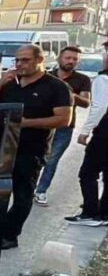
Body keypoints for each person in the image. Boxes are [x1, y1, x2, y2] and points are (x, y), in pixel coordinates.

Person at [0, 44, 72, 249]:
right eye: (17, 60)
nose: (20, 64)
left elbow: (63, 119)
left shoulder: (56, 87)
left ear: (40, 60)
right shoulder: (9, 84)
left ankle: (10, 234)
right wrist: (0, 82)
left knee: (22, 196)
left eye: (25, 60)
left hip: (30, 150)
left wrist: (27, 123)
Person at [34, 46, 91, 205]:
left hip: (64, 127)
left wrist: (69, 93)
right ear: (60, 58)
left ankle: (41, 191)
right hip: (43, 124)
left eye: (74, 59)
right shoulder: (46, 76)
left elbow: (86, 102)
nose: (70, 61)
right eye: (68, 58)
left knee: (51, 160)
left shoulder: (82, 80)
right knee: (35, 157)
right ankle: (27, 187)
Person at [68, 49, 108, 226]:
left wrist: (85, 130)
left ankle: (90, 213)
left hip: (105, 133)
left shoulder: (103, 79)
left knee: (88, 173)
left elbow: (99, 107)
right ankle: (105, 213)